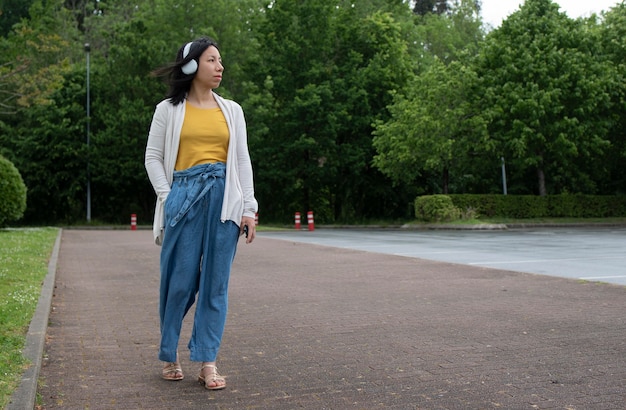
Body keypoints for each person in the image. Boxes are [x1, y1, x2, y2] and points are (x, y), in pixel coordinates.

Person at [145, 37, 258, 390]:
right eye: (212, 60)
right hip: (184, 199)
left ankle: (208, 361)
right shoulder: (168, 110)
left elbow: (242, 160)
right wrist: (169, 196)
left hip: (225, 201)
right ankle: (170, 354)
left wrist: (249, 208)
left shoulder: (232, 110)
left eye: (220, 60)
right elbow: (152, 158)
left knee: (215, 285)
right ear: (192, 66)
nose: (220, 66)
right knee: (178, 281)